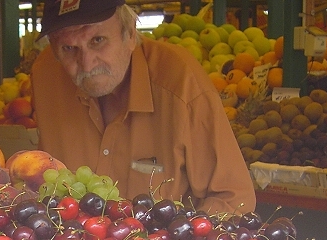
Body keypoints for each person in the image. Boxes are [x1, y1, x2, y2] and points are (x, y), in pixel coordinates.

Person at [31, 0, 256, 215]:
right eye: (69, 48)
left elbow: (234, 198)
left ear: (130, 34)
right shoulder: (45, 77)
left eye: (98, 40)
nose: (87, 63)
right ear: (53, 48)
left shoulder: (181, 82)